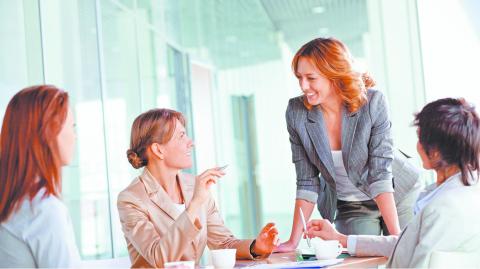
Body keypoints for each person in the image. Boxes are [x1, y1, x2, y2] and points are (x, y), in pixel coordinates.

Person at [277, 37, 422, 252]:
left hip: (398, 192)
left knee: (407, 258)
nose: (303, 86)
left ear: (333, 75)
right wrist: (292, 241)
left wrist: (396, 240)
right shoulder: (296, 112)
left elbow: (380, 173)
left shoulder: (373, 102)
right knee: (357, 263)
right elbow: (307, 181)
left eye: (311, 78)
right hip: (351, 204)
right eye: (299, 77)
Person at [306, 97, 480, 267]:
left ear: (435, 151)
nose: (417, 146)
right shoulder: (462, 194)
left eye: (420, 139)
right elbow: (405, 245)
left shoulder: (443, 208)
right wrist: (341, 239)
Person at [117, 108, 279, 268]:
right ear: (158, 150)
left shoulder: (194, 186)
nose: (190, 143)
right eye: (181, 136)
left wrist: (256, 247)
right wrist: (194, 204)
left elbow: (222, 243)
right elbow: (159, 258)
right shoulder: (131, 199)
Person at [0, 85, 80, 267]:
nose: (75, 136)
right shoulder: (43, 210)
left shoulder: (13, 203)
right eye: (72, 126)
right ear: (48, 133)